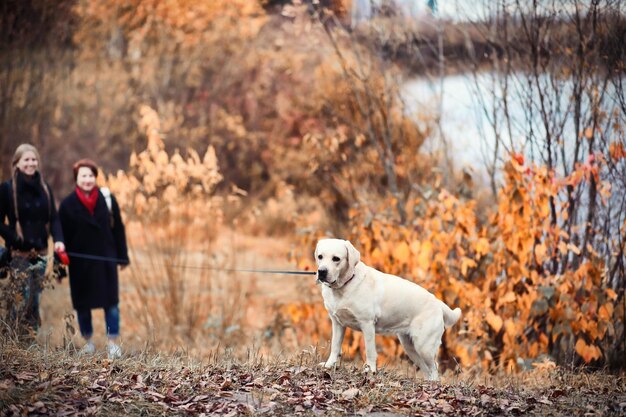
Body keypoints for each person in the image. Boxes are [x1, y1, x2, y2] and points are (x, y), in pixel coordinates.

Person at [58, 159, 129, 359]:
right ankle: (87, 342)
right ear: (76, 179)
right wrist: (60, 268)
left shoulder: (107, 199)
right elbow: (60, 238)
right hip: (80, 264)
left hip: (106, 259)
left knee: (112, 303)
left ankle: (113, 343)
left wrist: (122, 258)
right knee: (82, 304)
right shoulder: (67, 205)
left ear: (95, 177)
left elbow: (119, 229)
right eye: (83, 176)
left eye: (90, 175)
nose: (87, 179)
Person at [0, 144, 65, 335]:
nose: (31, 163)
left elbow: (54, 218)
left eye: (34, 159)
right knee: (20, 298)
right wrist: (14, 239)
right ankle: (13, 340)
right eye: (26, 160)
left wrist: (59, 239)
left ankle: (29, 340)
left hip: (41, 253)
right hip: (18, 254)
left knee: (34, 300)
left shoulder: (45, 188)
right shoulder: (6, 189)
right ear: (17, 163)